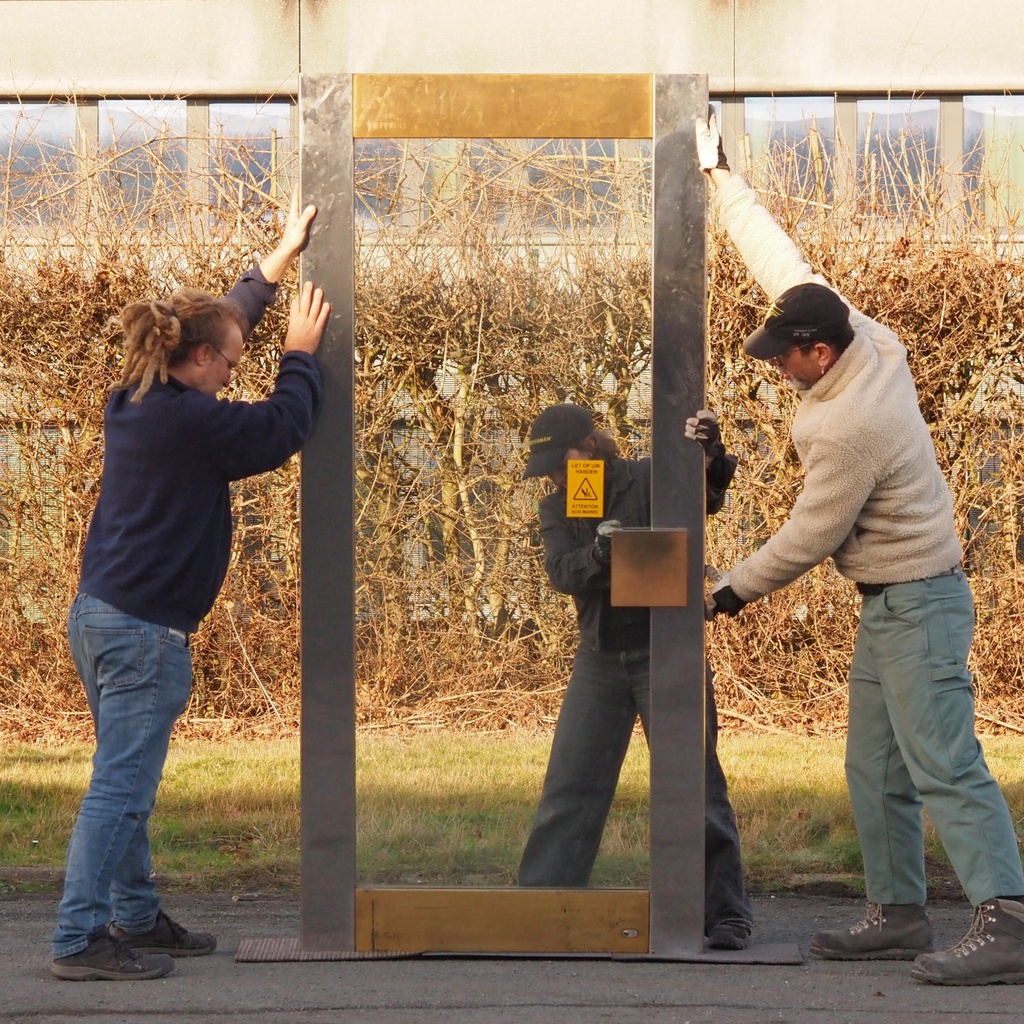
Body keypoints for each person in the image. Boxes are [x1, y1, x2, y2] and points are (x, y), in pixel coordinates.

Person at [695, 112, 1024, 985]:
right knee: (874, 768)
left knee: (946, 762)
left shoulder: (853, 424)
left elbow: (811, 535)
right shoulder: (863, 333)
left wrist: (726, 592)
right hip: (890, 603)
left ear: (820, 352)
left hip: (919, 603)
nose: (777, 367)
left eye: (785, 358)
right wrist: (723, 182)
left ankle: (1009, 921)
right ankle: (899, 914)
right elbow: (784, 264)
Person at [50, 194, 331, 981]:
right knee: (121, 790)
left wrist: (279, 256)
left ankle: (136, 918)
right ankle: (78, 939)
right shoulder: (193, 424)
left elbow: (227, 315)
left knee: (123, 776)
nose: (236, 372)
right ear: (200, 362)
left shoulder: (141, 396)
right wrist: (301, 355)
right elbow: (280, 430)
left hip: (100, 613)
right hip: (142, 632)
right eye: (233, 365)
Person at [517, 402, 754, 951]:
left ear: (592, 446)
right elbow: (561, 571)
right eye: (548, 469)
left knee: (695, 785)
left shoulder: (650, 478)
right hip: (600, 657)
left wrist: (711, 454)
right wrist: (601, 554)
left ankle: (725, 914)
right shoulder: (557, 507)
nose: (556, 476)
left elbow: (706, 499)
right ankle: (539, 908)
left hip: (666, 652)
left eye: (561, 461)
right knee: (569, 787)